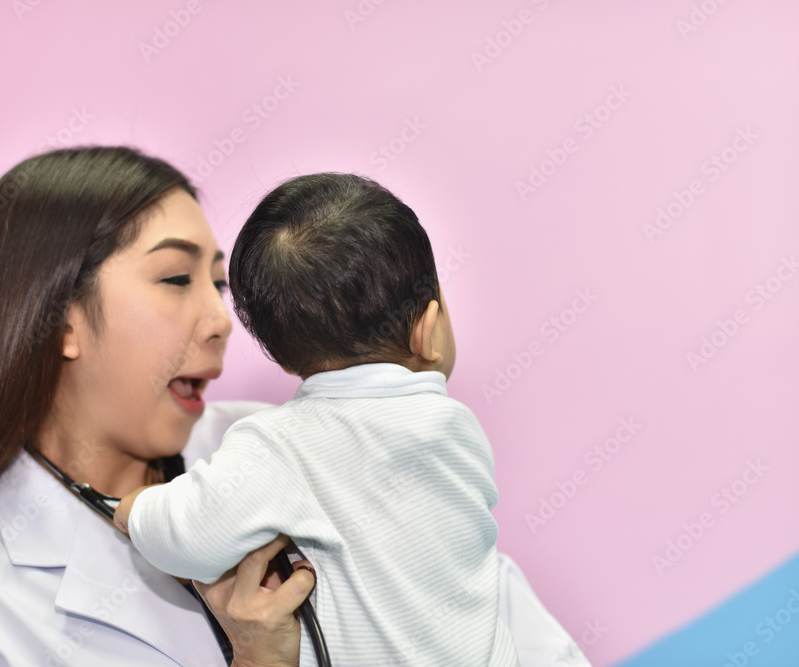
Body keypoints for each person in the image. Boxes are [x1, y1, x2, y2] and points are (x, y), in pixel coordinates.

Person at [0, 147, 588, 667]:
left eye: (222, 285)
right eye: (176, 279)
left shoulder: (303, 443)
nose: (219, 320)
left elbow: (483, 616)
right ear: (58, 319)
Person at [115, 173, 519, 666]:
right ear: (428, 330)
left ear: (284, 359)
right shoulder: (459, 429)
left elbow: (191, 537)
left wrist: (137, 510)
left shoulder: (277, 445)